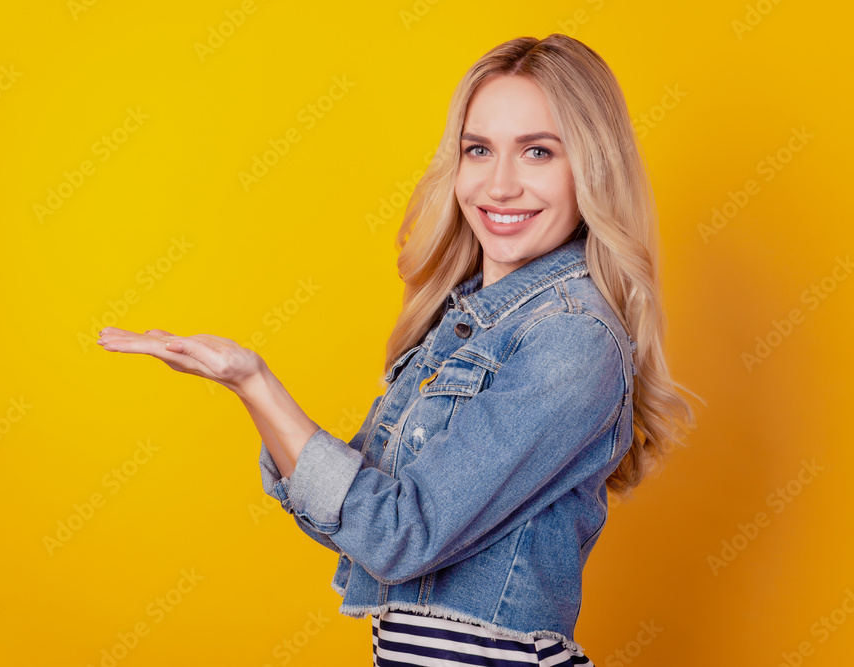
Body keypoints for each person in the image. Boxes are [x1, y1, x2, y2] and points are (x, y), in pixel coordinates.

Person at [97, 33, 695, 667]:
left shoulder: (572, 339)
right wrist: (250, 388)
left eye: (538, 152)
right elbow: (354, 522)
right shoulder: (463, 322)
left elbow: (399, 536)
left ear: (592, 168)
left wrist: (257, 385)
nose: (500, 184)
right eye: (478, 150)